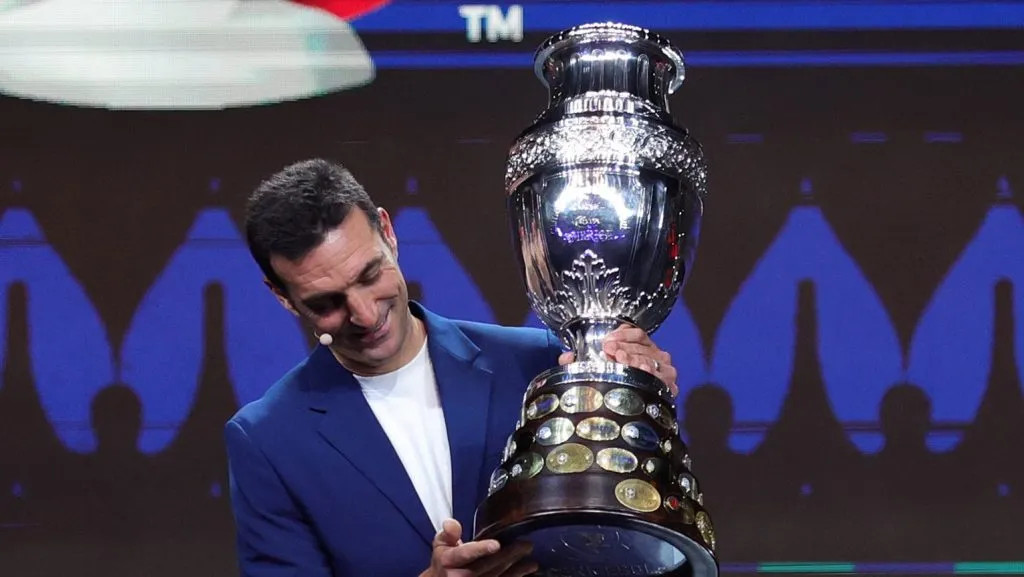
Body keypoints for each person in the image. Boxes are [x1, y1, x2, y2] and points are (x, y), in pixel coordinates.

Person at [225, 158, 681, 577]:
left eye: (369, 275)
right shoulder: (268, 440)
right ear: (281, 296)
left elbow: (637, 528)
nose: (364, 314)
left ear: (388, 231)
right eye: (326, 303)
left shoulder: (537, 363)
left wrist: (643, 406)